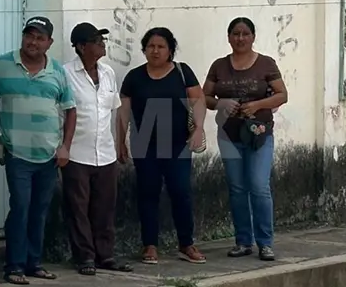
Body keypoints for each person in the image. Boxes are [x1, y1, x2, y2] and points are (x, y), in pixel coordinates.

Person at [0, 16, 75, 286]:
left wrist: (65, 146)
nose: (33, 42)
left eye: (39, 37)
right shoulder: (3, 65)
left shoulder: (57, 71)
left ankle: (34, 263)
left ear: (49, 42)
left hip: (49, 154)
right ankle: (14, 266)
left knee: (39, 209)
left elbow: (70, 109)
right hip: (17, 152)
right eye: (29, 35)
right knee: (20, 206)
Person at [118, 27, 207, 265]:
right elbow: (124, 112)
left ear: (170, 50)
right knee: (147, 193)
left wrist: (198, 129)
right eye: (151, 46)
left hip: (178, 144)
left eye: (161, 46)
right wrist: (120, 142)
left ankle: (186, 244)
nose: (155, 51)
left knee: (181, 192)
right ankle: (149, 245)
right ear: (145, 49)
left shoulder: (181, 72)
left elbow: (198, 101)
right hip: (144, 146)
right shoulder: (134, 77)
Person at [203, 17, 288, 261]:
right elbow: (204, 96)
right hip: (229, 135)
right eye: (235, 34)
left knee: (259, 187)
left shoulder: (266, 64)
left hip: (259, 135)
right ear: (229, 37)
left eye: (245, 33)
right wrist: (221, 103)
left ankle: (265, 243)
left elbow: (282, 95)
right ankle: (243, 241)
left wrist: (257, 105)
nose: (240, 38)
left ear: (253, 37)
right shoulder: (219, 66)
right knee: (237, 189)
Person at [62, 23, 133, 275]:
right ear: (81, 47)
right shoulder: (65, 74)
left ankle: (106, 254)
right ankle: (85, 257)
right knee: (78, 207)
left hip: (105, 152)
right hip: (76, 152)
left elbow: (114, 111)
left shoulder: (108, 73)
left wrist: (120, 142)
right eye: (96, 40)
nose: (102, 44)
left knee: (105, 206)